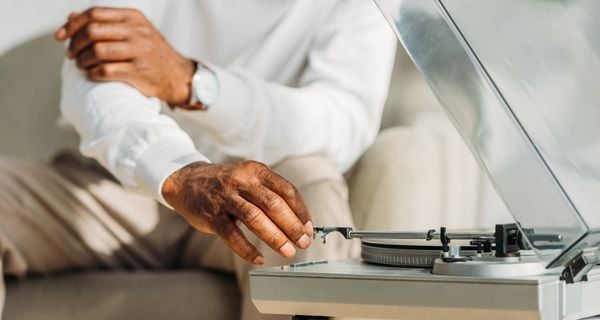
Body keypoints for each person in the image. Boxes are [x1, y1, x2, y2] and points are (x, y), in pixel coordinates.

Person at [0, 1, 396, 319]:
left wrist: (193, 83)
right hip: (113, 190)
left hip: (255, 192)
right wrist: (177, 171)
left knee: (304, 200)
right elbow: (99, 83)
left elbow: (341, 122)